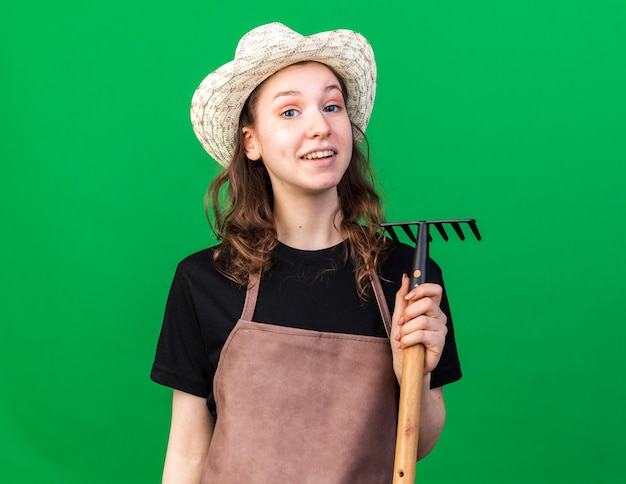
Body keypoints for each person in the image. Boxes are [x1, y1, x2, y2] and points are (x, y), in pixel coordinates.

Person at [151, 22, 462, 483]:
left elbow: (418, 444)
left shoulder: (407, 274)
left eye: (331, 105)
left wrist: (411, 372)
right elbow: (188, 452)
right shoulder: (205, 280)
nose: (319, 126)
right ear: (251, 141)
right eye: (291, 112)